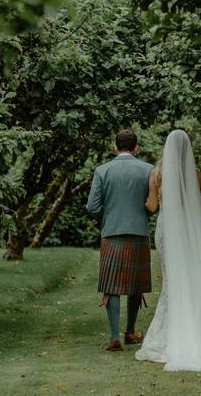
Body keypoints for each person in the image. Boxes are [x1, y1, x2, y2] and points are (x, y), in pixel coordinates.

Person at [135, 129, 201, 372]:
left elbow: (151, 206)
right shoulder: (195, 174)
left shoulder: (156, 174)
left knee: (171, 280)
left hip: (166, 230)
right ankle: (192, 331)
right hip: (188, 231)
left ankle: (167, 336)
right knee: (189, 278)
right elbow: (197, 207)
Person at [86, 128, 154, 351]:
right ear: (137, 148)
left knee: (112, 285)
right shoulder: (148, 170)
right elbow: (152, 205)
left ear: (115, 147)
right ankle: (131, 332)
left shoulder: (102, 170)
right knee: (136, 284)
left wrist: (108, 218)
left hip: (112, 233)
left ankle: (114, 337)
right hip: (138, 232)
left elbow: (92, 206)